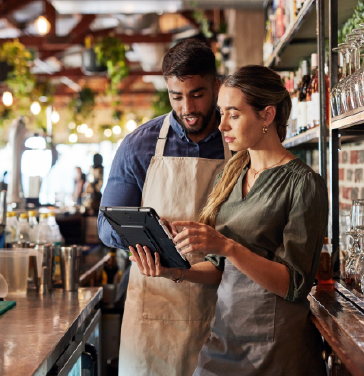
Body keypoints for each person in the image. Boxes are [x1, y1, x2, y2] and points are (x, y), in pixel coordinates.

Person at [130, 65, 328, 376]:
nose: (221, 125)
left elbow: (295, 285)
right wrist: (175, 271)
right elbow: (218, 269)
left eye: (233, 114)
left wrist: (227, 246)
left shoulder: (303, 183)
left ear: (267, 115)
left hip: (274, 347)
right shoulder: (231, 173)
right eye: (221, 113)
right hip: (224, 335)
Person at [97, 39, 231, 376]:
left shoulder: (237, 141)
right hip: (154, 313)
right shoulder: (139, 145)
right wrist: (148, 233)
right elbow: (105, 224)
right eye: (176, 96)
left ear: (216, 86)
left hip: (222, 309)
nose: (188, 107)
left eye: (198, 94)